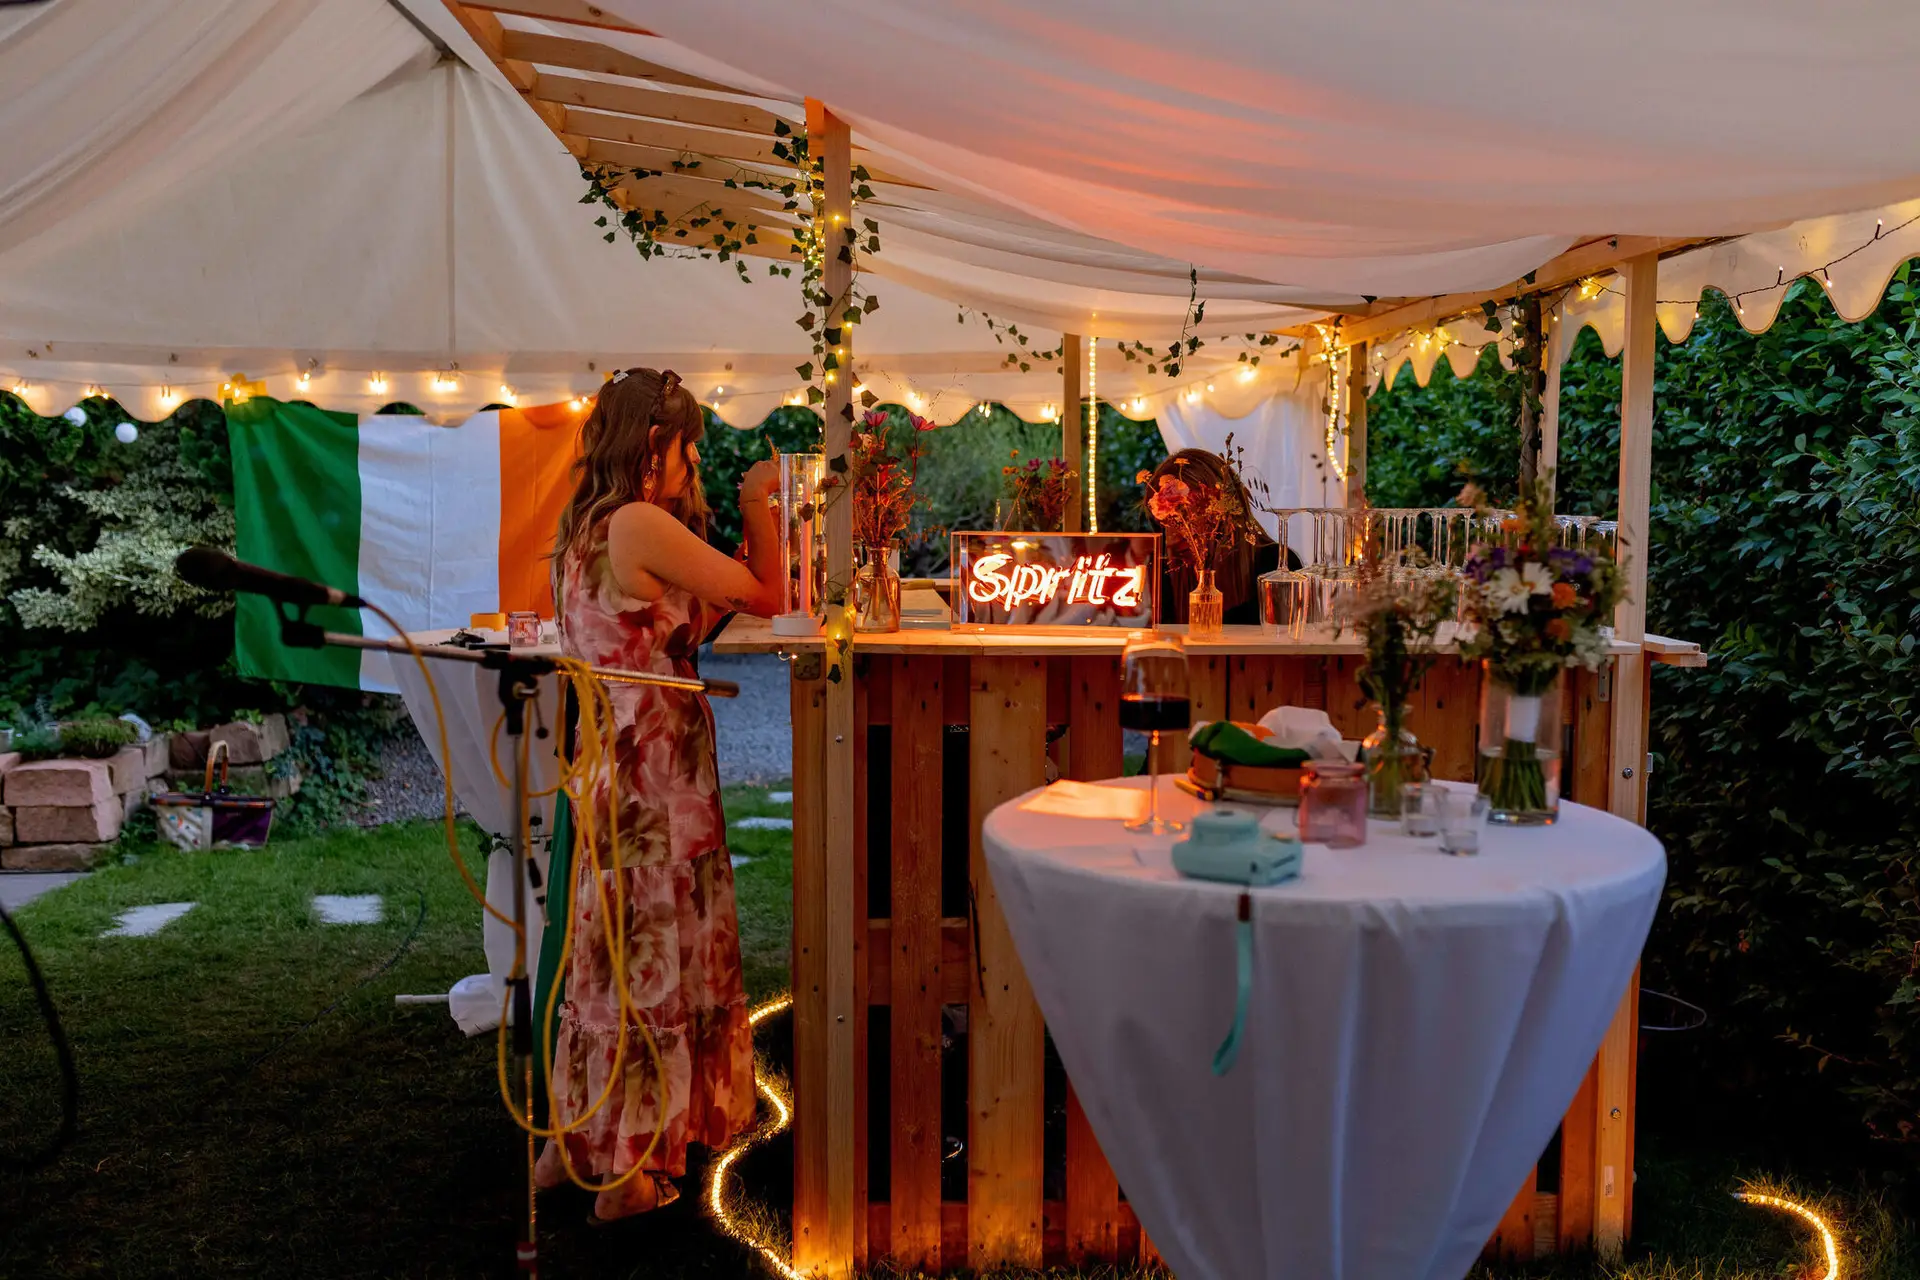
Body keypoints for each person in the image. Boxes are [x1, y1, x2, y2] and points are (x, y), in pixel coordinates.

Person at [536, 367, 783, 1222]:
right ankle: (631, 1172)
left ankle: (574, 1142)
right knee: (651, 957)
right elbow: (765, 593)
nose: (691, 466)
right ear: (655, 445)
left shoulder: (589, 527)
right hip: (656, 775)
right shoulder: (640, 521)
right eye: (687, 450)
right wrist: (761, 502)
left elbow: (687, 618)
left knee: (608, 951)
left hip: (612, 761)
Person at [1149, 448, 1296, 625]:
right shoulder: (1161, 570)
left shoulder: (1279, 566)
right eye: (1164, 520)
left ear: (1221, 509)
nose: (1172, 533)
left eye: (1184, 514)